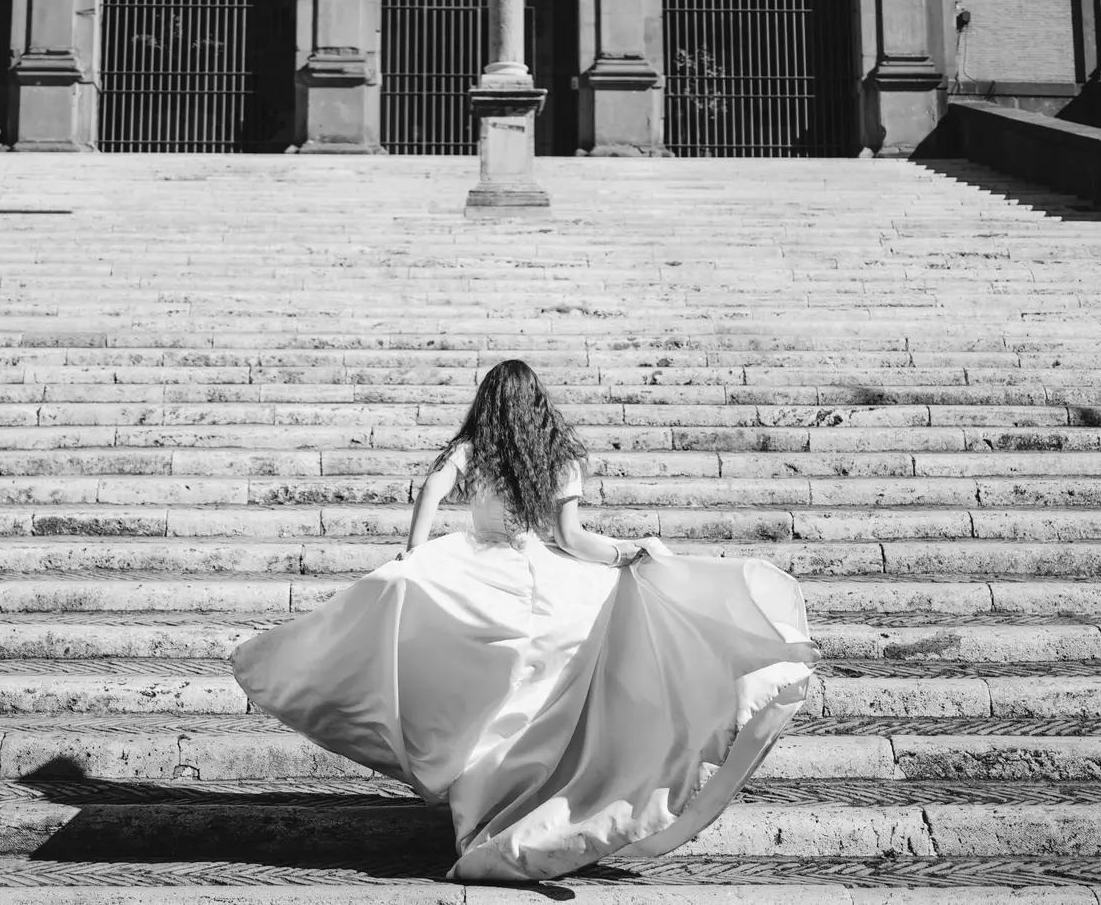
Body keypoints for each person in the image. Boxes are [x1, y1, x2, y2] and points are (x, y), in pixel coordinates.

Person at [232, 358, 819, 881]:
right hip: (537, 575)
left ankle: (472, 780)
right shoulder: (556, 459)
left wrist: (412, 553)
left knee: (463, 665)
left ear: (487, 404)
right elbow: (572, 539)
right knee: (539, 687)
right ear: (539, 405)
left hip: (472, 566)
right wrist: (626, 553)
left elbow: (431, 492)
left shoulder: (473, 450)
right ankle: (510, 795)